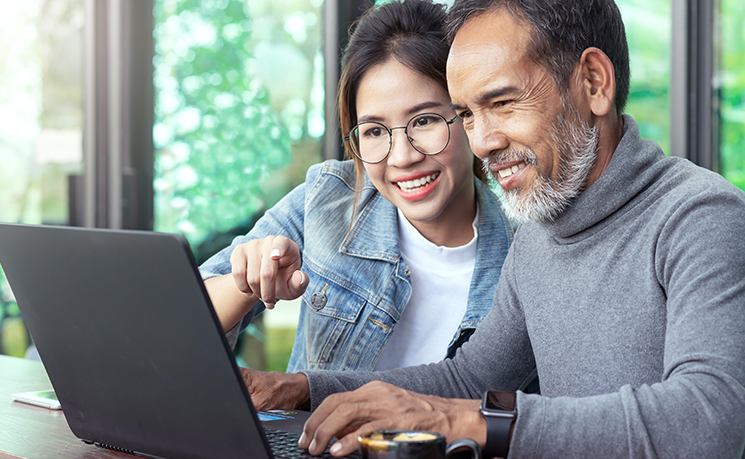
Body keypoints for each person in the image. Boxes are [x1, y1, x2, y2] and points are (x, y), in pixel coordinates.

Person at [240, 1, 745, 457]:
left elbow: (709, 419)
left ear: (593, 82)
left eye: (502, 103)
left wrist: (466, 421)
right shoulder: (542, 232)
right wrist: (301, 388)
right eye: (466, 114)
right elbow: (469, 378)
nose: (482, 142)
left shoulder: (701, 216)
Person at [199, 0, 514, 375]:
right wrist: (247, 282)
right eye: (375, 131)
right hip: (312, 436)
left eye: (425, 120)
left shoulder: (523, 253)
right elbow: (180, 320)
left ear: (468, 115)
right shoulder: (328, 197)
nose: (401, 157)